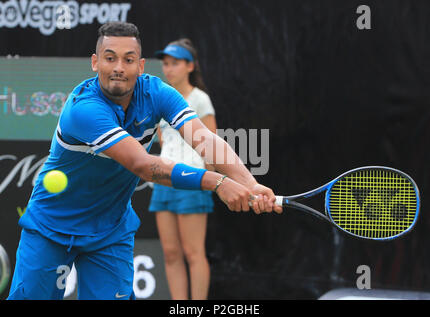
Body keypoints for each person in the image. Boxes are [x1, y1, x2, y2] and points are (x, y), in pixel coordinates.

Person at [7, 21, 282, 300]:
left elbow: (205, 139)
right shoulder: (84, 109)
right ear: (95, 62)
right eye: (110, 58)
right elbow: (142, 166)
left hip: (109, 232)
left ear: (140, 66)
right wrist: (218, 182)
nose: (118, 68)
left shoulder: (157, 93)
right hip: (51, 228)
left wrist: (249, 182)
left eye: (128, 60)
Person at [149, 38, 216, 300]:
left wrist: (214, 181)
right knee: (171, 253)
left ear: (190, 66)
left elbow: (212, 145)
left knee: (193, 253)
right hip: (163, 182)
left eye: (174, 63)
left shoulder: (200, 100)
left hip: (194, 183)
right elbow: (163, 140)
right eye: (165, 64)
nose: (168, 69)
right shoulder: (160, 99)